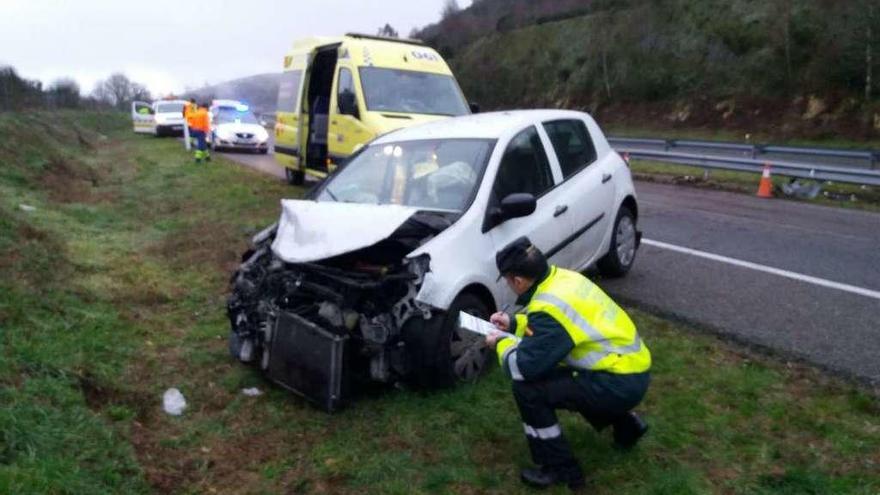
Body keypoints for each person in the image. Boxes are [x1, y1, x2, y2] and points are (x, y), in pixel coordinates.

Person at [485, 237, 652, 489]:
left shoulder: (549, 308)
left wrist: (500, 343)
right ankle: (628, 425)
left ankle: (560, 468)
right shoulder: (562, 279)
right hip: (633, 368)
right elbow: (552, 327)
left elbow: (523, 368)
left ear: (517, 281)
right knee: (568, 381)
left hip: (617, 382)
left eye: (508, 281)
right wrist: (513, 323)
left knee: (529, 390)